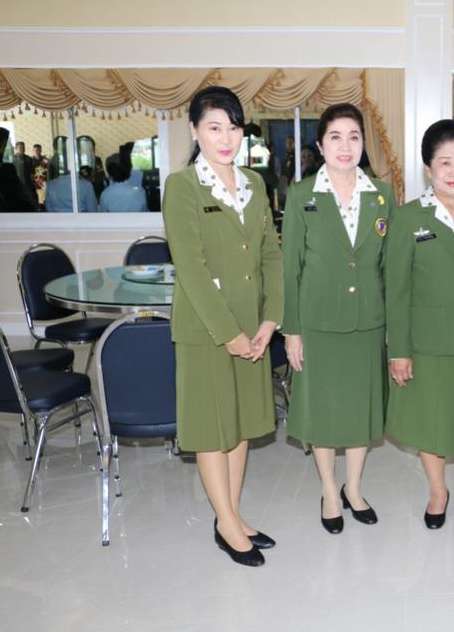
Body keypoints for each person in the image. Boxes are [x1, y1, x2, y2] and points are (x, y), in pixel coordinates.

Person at [162, 86, 283, 567]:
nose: (226, 138)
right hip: (207, 330)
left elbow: (270, 254)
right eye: (214, 128)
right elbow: (190, 269)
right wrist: (228, 333)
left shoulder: (254, 182)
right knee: (214, 427)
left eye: (233, 128)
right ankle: (227, 523)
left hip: (253, 326)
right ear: (195, 131)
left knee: (241, 424)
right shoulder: (183, 186)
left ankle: (230, 514)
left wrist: (271, 318)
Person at [282, 103, 395, 534]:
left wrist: (392, 328)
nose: (345, 146)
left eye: (353, 137)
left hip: (369, 321)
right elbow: (290, 268)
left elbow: (389, 266)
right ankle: (329, 491)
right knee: (324, 411)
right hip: (318, 323)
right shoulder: (302, 195)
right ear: (320, 144)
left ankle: (354, 488)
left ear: (363, 143)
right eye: (335, 137)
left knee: (361, 410)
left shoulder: (381, 194)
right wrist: (292, 330)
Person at [385, 119, 454, 529]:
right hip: (428, 341)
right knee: (431, 420)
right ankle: (437, 490)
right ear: (429, 168)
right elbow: (396, 291)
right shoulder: (408, 218)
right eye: (445, 162)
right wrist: (399, 351)